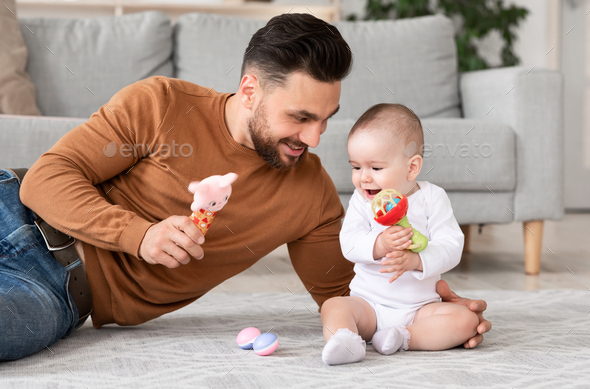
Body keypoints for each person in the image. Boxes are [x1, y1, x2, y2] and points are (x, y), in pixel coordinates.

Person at [0, 13, 490, 362]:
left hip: (58, 289)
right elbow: (45, 179)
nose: (315, 139)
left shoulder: (310, 193)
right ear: (250, 90)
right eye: (300, 117)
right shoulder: (160, 103)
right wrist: (140, 235)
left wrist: (425, 309)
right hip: (12, 207)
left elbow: (348, 295)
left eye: (325, 120)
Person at [320, 103, 481, 365]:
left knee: (467, 320)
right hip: (368, 304)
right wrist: (379, 243)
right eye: (356, 167)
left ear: (412, 167)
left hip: (420, 308)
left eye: (376, 168)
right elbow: (348, 244)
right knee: (333, 307)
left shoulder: (432, 198)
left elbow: (451, 245)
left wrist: (417, 261)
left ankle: (403, 337)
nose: (363, 178)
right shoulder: (361, 202)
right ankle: (346, 340)